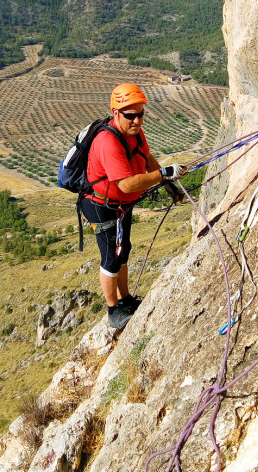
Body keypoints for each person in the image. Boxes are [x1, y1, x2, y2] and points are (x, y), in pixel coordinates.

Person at [79, 82, 186, 330]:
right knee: (111, 258)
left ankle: (125, 299)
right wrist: (165, 174)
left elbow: (145, 158)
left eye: (141, 114)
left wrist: (169, 182)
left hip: (119, 204)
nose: (138, 121)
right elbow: (126, 184)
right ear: (116, 113)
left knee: (123, 249)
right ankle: (113, 309)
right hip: (102, 206)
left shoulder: (134, 132)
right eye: (131, 116)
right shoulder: (109, 142)